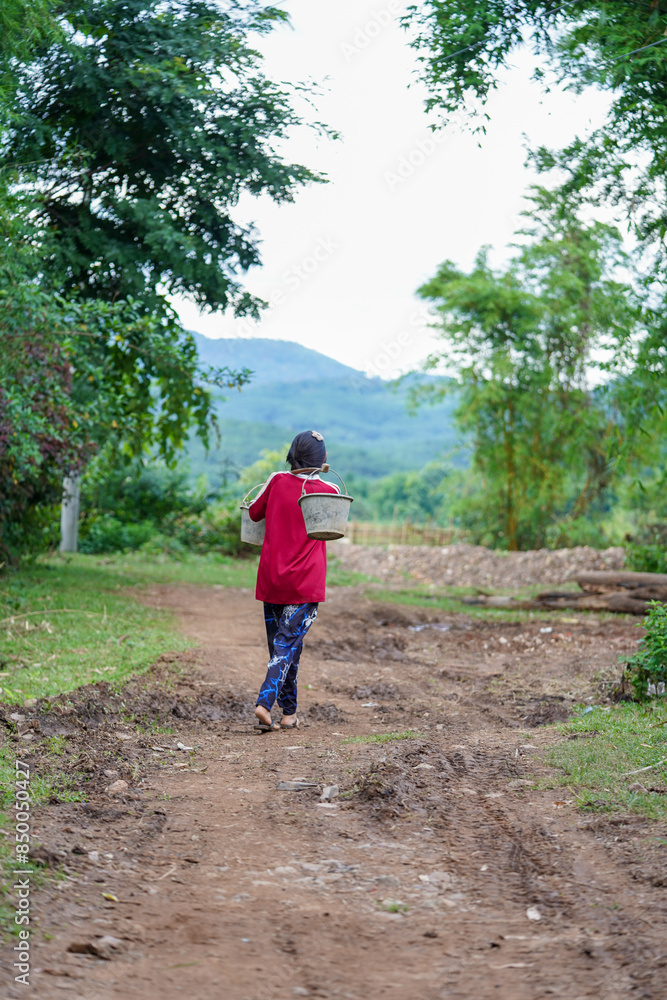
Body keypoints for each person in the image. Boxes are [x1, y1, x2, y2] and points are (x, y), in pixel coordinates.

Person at [248, 430, 339, 732]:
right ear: (323, 460)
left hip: (273, 579)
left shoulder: (276, 481)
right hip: (304, 583)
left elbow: (254, 513)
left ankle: (289, 713)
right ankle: (264, 703)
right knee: (286, 644)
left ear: (291, 455)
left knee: (284, 646)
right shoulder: (329, 490)